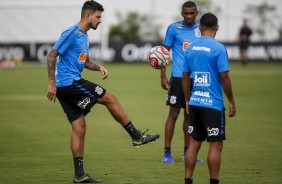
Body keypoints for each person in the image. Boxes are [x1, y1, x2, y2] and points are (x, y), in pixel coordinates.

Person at [46, 1, 160, 183]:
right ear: (87, 16)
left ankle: (79, 175)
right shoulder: (72, 33)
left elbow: (85, 62)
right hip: (69, 83)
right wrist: (52, 83)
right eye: (98, 17)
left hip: (65, 87)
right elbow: (52, 55)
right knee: (110, 97)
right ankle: (137, 136)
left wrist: (98, 67)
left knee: (79, 128)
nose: (100, 21)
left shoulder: (83, 36)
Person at [182, 12, 236, 184]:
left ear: (200, 27)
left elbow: (185, 77)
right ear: (217, 28)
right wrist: (231, 101)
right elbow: (224, 77)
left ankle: (188, 181)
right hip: (213, 104)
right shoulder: (218, 48)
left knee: (194, 144)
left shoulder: (190, 47)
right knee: (216, 144)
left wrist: (187, 100)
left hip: (195, 101)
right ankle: (214, 181)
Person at [160, 1, 203, 164]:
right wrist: (163, 76)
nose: (189, 16)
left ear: (196, 13)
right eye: (186, 13)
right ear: (182, 13)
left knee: (189, 115)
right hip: (178, 77)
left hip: (196, 78)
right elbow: (164, 52)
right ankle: (167, 153)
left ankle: (187, 153)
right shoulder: (173, 28)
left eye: (192, 13)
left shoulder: (201, 29)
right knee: (173, 114)